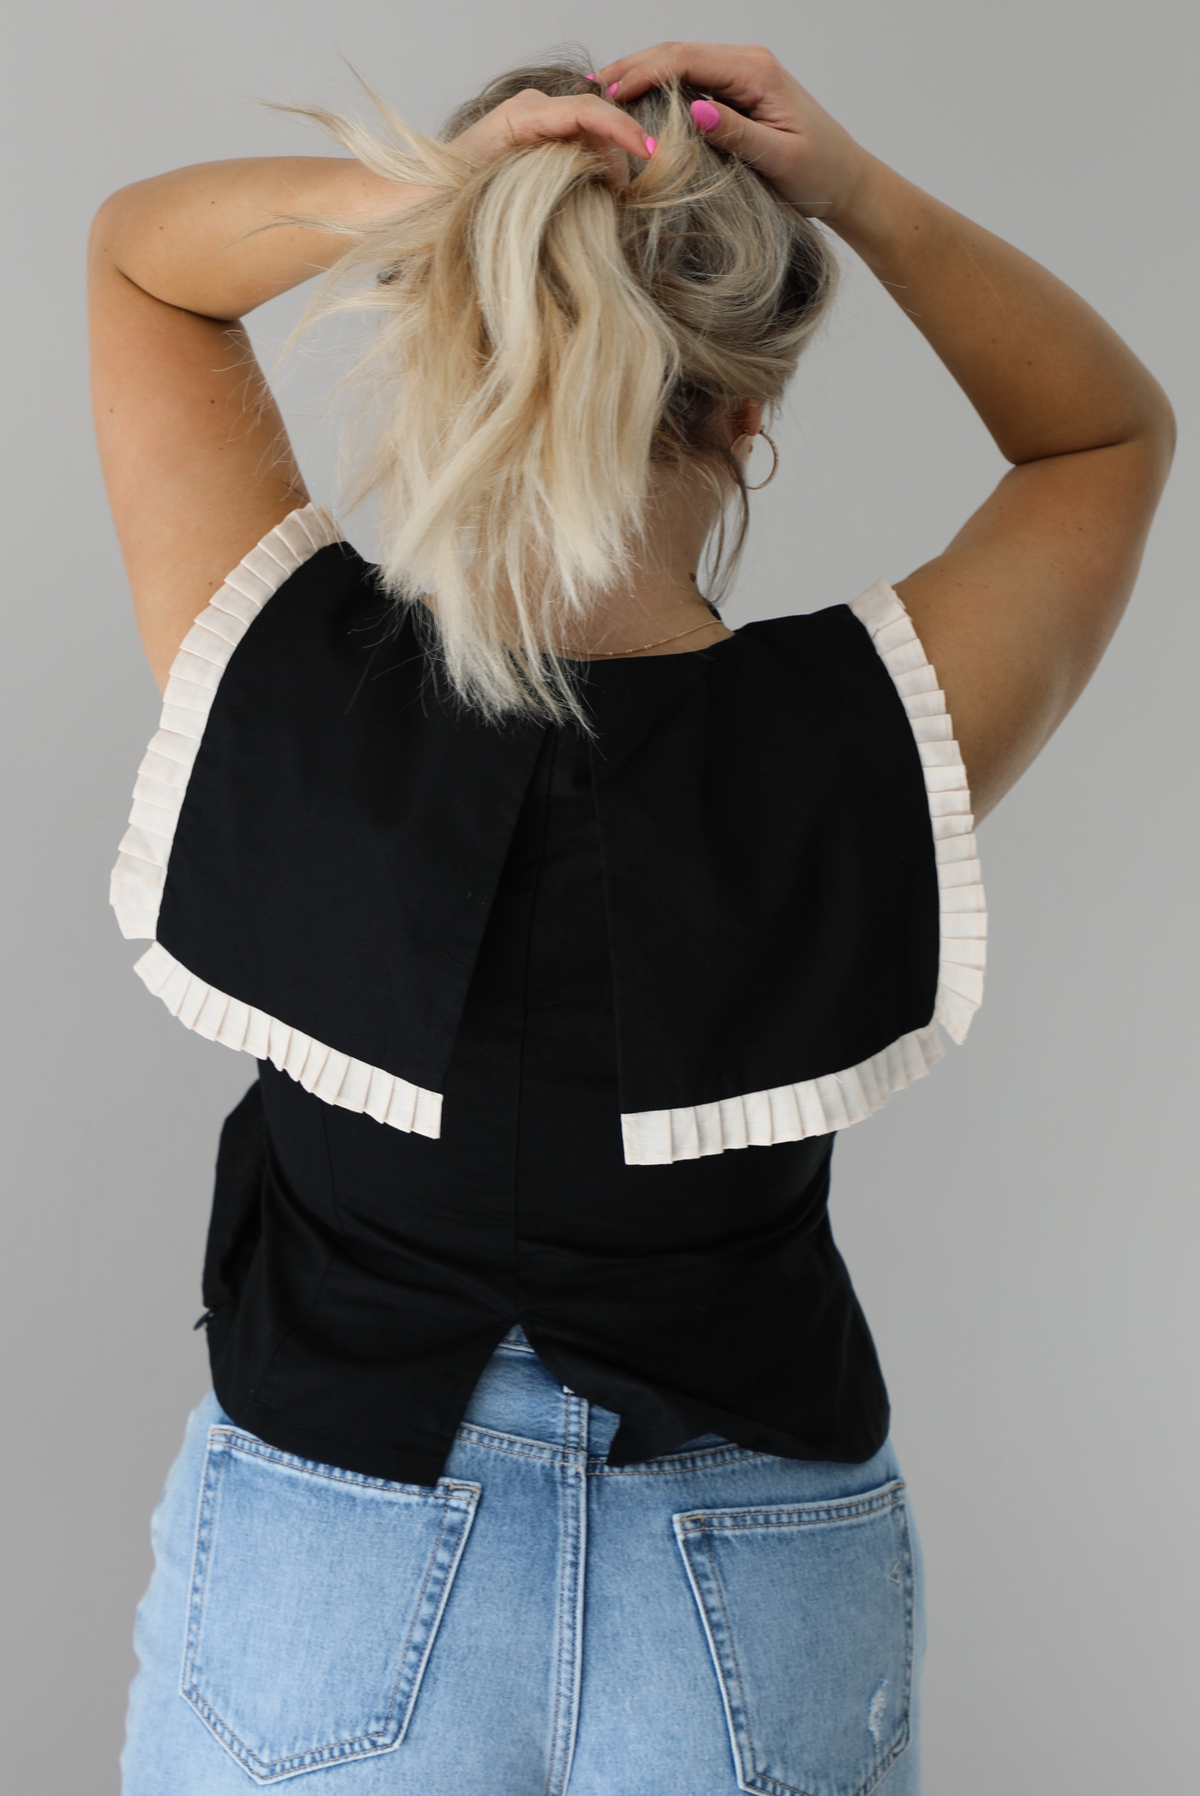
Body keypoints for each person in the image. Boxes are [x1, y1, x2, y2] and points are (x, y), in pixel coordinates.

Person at [90, 42, 1172, 1796]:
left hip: (327, 1550)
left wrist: (425, 201)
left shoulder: (270, 672)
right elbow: (1106, 433)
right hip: (758, 1581)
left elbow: (142, 260)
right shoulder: (875, 730)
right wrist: (860, 193)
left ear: (449, 325)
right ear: (750, 411)